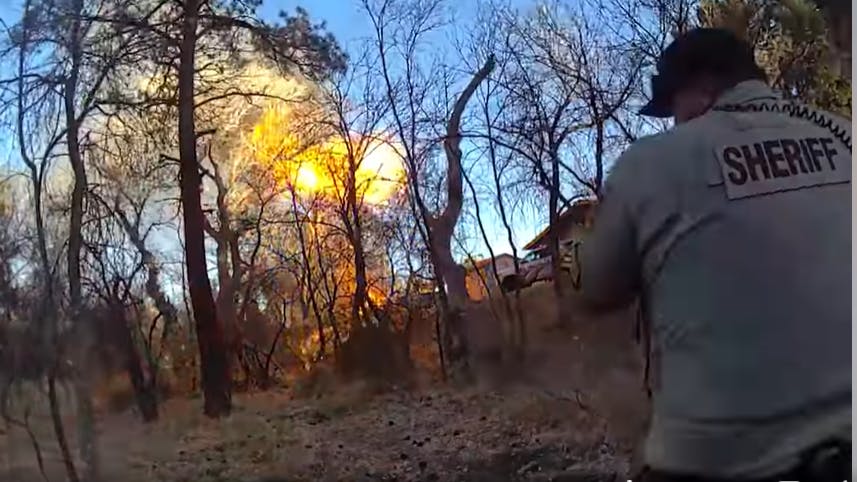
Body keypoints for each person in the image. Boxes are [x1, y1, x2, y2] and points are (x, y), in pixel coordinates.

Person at [573, 28, 852, 481]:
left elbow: (595, 288)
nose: (674, 123)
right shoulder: (846, 136)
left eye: (672, 109)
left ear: (700, 92)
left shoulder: (651, 162)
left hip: (717, 464)